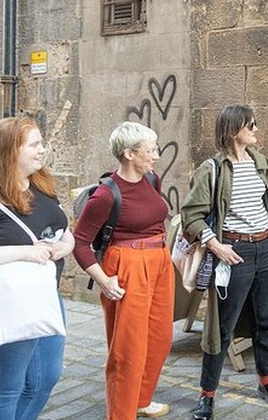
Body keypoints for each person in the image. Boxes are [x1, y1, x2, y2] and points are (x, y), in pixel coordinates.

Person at [181, 105, 268, 420]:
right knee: (221, 327)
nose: (256, 129)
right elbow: (191, 215)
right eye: (251, 125)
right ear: (233, 130)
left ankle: (267, 382)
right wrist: (215, 245)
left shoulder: (262, 163)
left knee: (265, 321)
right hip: (232, 252)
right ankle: (207, 396)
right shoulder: (212, 169)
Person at [72, 121, 172, 420]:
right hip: (127, 265)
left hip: (159, 262)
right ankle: (121, 414)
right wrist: (103, 280)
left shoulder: (152, 180)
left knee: (160, 338)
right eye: (150, 150)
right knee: (128, 348)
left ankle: (140, 399)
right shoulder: (105, 194)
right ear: (130, 154)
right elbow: (80, 243)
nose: (155, 155)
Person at [0, 117, 74, 420]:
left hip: (45, 296)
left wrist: (66, 246)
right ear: (11, 150)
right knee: (7, 387)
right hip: (5, 302)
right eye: (34, 144)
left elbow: (63, 228)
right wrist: (27, 252)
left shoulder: (41, 184)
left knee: (45, 377)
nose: (43, 150)